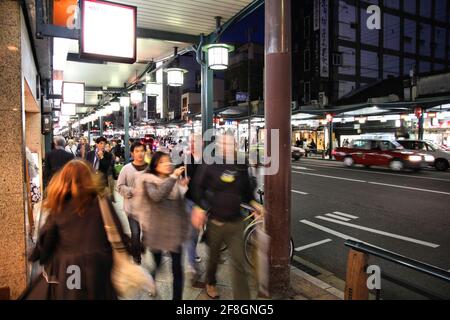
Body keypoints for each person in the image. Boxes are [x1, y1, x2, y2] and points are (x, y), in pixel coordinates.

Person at [22, 160, 130, 299]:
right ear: (90, 177)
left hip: (72, 268)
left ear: (62, 180)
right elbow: (117, 230)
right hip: (100, 265)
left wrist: (40, 255)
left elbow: (47, 237)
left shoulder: (60, 206)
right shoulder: (102, 202)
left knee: (74, 295)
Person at [191, 133, 264, 300]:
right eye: (223, 143)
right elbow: (197, 187)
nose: (226, 146)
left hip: (236, 222)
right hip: (216, 222)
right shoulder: (210, 163)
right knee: (214, 259)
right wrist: (199, 208)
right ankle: (210, 282)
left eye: (229, 143)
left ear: (235, 144)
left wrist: (254, 203)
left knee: (239, 263)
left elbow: (246, 191)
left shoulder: (240, 164)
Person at [134, 152, 189, 300]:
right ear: (155, 166)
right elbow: (157, 196)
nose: (168, 164)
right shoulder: (149, 180)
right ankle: (151, 282)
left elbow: (178, 206)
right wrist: (173, 178)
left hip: (175, 231)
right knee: (158, 264)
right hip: (156, 231)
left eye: (169, 161)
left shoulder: (174, 181)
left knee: (177, 269)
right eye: (163, 162)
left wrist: (182, 187)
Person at [116, 142, 147, 264]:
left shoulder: (150, 169)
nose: (140, 154)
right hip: (132, 209)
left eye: (142, 151)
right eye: (137, 151)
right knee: (135, 233)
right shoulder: (126, 169)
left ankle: (140, 247)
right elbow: (119, 186)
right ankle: (136, 258)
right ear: (132, 153)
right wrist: (132, 191)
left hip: (147, 209)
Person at [183, 134, 203, 284]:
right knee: (191, 233)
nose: (193, 144)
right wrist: (181, 180)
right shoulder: (185, 159)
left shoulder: (208, 160)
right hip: (188, 200)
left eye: (196, 141)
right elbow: (175, 175)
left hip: (201, 202)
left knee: (196, 233)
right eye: (192, 141)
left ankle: (193, 253)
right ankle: (191, 264)